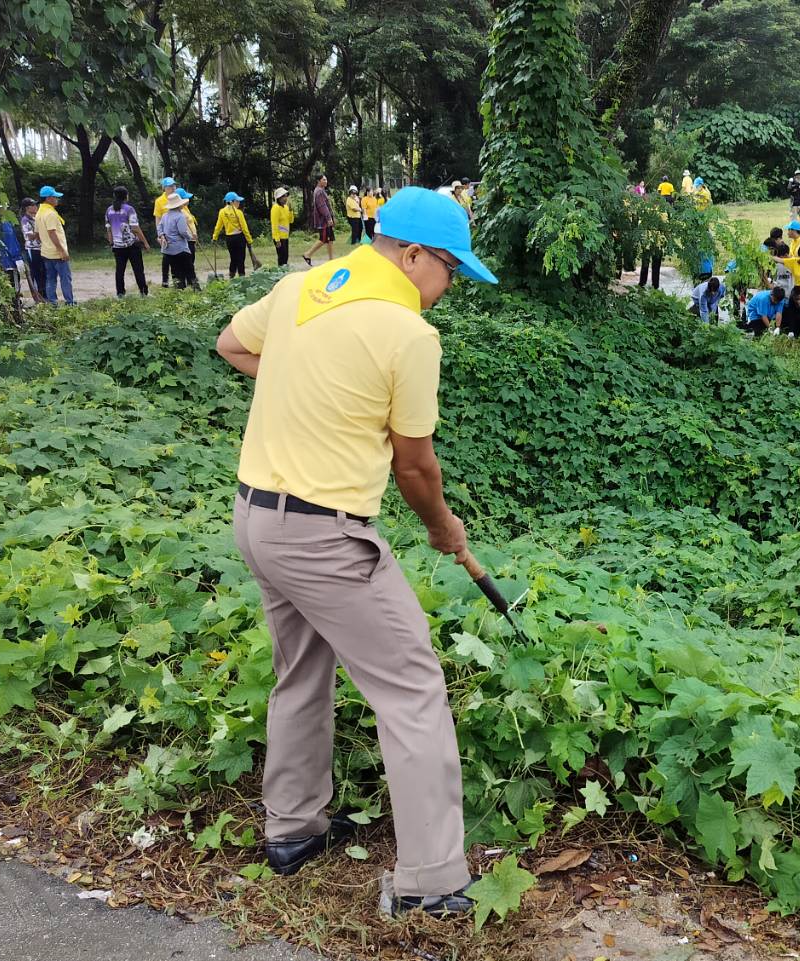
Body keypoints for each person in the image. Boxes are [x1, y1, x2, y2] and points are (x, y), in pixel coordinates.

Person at [212, 185, 496, 920]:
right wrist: (443, 528)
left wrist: (308, 381)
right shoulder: (407, 334)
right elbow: (416, 468)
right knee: (412, 688)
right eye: (451, 271)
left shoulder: (301, 287)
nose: (449, 287)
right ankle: (431, 879)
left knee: (301, 670)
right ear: (412, 255)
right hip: (324, 538)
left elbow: (233, 345)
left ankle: (293, 829)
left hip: (255, 518)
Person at [104, 186, 152, 296]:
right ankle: (143, 292)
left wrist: (111, 243)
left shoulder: (109, 210)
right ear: (126, 196)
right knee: (138, 269)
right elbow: (135, 228)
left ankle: (120, 293)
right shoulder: (129, 209)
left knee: (119, 271)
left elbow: (108, 229)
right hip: (132, 244)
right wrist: (145, 243)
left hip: (117, 246)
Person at [35, 185, 73, 305]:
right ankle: (69, 302)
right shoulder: (50, 214)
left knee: (50, 279)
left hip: (46, 252)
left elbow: (37, 234)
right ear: (48, 198)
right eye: (55, 197)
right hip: (57, 253)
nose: (57, 199)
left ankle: (52, 303)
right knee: (65, 278)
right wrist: (61, 250)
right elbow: (52, 233)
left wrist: (45, 244)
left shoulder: (39, 213)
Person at [159, 193, 200, 289]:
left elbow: (159, 228)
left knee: (175, 270)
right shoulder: (180, 216)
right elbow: (182, 231)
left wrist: (162, 236)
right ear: (178, 205)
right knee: (189, 269)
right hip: (180, 248)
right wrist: (190, 237)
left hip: (169, 248)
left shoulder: (165, 216)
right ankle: (195, 288)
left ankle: (179, 289)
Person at [214, 192, 256, 279]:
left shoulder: (222, 212)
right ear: (232, 202)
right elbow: (244, 228)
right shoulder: (239, 212)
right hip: (239, 237)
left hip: (229, 239)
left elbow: (218, 226)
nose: (239, 203)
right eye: (237, 201)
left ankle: (231, 275)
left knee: (233, 258)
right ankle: (241, 276)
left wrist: (215, 237)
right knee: (241, 258)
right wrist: (249, 240)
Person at [303, 176, 336, 266]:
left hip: (326, 220)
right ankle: (308, 254)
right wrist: (328, 218)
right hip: (323, 221)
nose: (326, 181)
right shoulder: (319, 191)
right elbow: (322, 207)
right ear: (318, 181)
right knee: (323, 239)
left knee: (330, 239)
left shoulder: (321, 190)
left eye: (326, 179)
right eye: (324, 180)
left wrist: (332, 217)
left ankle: (331, 259)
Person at [19, 198, 45, 303]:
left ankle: (44, 296)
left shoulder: (36, 218)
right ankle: (38, 298)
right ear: (27, 208)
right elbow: (30, 236)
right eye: (33, 205)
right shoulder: (25, 220)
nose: (36, 207)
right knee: (35, 273)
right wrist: (40, 232)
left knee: (43, 273)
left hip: (41, 248)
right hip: (32, 249)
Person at [155, 177, 180, 286]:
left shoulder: (177, 197)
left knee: (177, 257)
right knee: (166, 257)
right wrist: (159, 235)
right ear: (164, 188)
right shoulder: (159, 201)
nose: (173, 188)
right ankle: (165, 281)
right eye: (170, 186)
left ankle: (177, 281)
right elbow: (158, 218)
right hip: (165, 232)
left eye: (174, 185)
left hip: (177, 232)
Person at [0, 213, 23, 301]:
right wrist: (17, 258)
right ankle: (15, 304)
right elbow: (11, 240)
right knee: (13, 287)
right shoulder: (5, 223)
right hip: (9, 261)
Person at [271, 187, 295, 267]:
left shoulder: (286, 207)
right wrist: (277, 240)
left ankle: (284, 271)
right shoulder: (275, 208)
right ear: (278, 198)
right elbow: (274, 224)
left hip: (285, 236)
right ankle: (281, 272)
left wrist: (291, 211)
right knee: (282, 258)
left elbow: (291, 221)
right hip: (279, 237)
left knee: (286, 257)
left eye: (286, 196)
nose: (285, 198)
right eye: (283, 196)